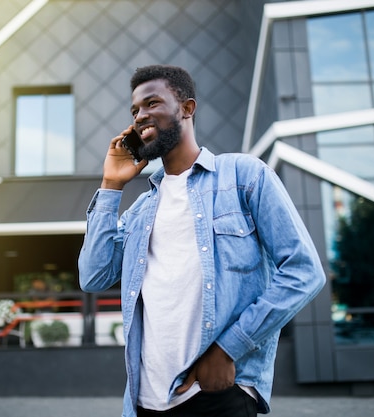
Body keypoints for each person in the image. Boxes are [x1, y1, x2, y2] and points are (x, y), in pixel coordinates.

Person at [78, 65, 326, 417]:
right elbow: (93, 276)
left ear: (187, 108)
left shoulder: (244, 177)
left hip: (217, 393)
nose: (140, 116)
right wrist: (111, 185)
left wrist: (228, 349)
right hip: (144, 402)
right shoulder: (142, 209)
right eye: (134, 110)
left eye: (152, 103)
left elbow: (305, 272)